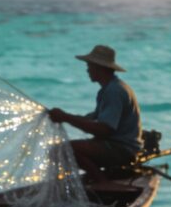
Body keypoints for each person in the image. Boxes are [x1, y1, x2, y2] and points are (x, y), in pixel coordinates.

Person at [48, 44, 142, 184]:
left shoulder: (114, 91)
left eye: (89, 66)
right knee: (63, 150)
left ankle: (102, 182)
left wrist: (66, 117)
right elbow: (91, 119)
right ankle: (96, 177)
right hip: (117, 146)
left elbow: (104, 129)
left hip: (123, 150)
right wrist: (63, 116)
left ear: (99, 68)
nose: (87, 70)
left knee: (62, 150)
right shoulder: (109, 88)